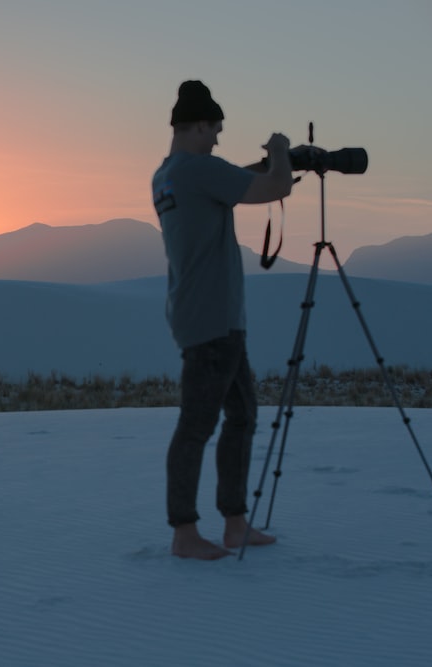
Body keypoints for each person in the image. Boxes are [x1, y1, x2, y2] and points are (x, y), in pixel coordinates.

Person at [151, 80, 294, 560]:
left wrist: (260, 170)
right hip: (213, 316)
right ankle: (184, 532)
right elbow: (275, 187)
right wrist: (281, 152)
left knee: (242, 415)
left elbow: (230, 181)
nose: (217, 139)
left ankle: (234, 524)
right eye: (215, 129)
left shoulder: (167, 175)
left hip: (205, 313)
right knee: (197, 425)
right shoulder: (199, 171)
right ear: (197, 126)